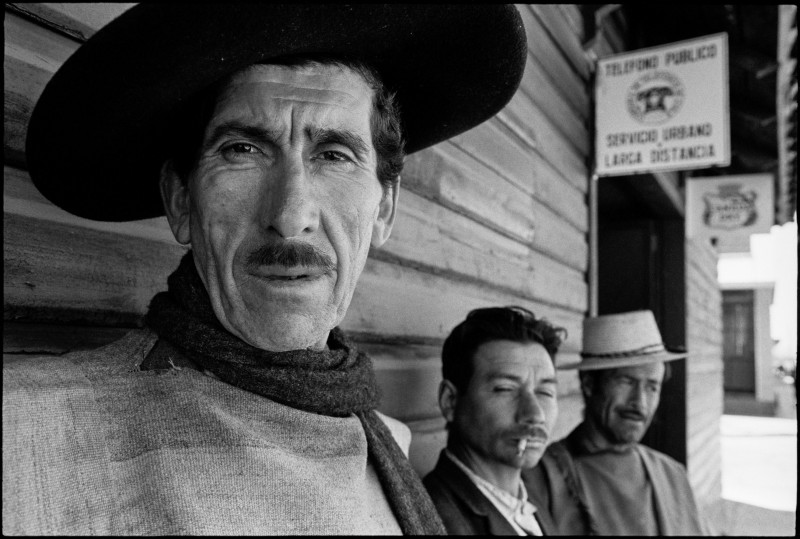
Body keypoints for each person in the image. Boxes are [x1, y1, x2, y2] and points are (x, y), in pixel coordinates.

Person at [2, 5, 528, 535]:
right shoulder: (28, 439)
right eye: (243, 149)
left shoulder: (385, 445)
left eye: (334, 155)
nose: (290, 216)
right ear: (181, 200)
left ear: (385, 209)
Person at [523, 310, 707, 535]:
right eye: (626, 381)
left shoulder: (672, 475)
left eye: (652, 387)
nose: (640, 402)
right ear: (589, 384)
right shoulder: (543, 477)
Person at [423, 306, 567, 535]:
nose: (535, 414)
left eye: (545, 392)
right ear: (450, 401)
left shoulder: (530, 496)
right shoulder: (432, 519)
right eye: (505, 389)